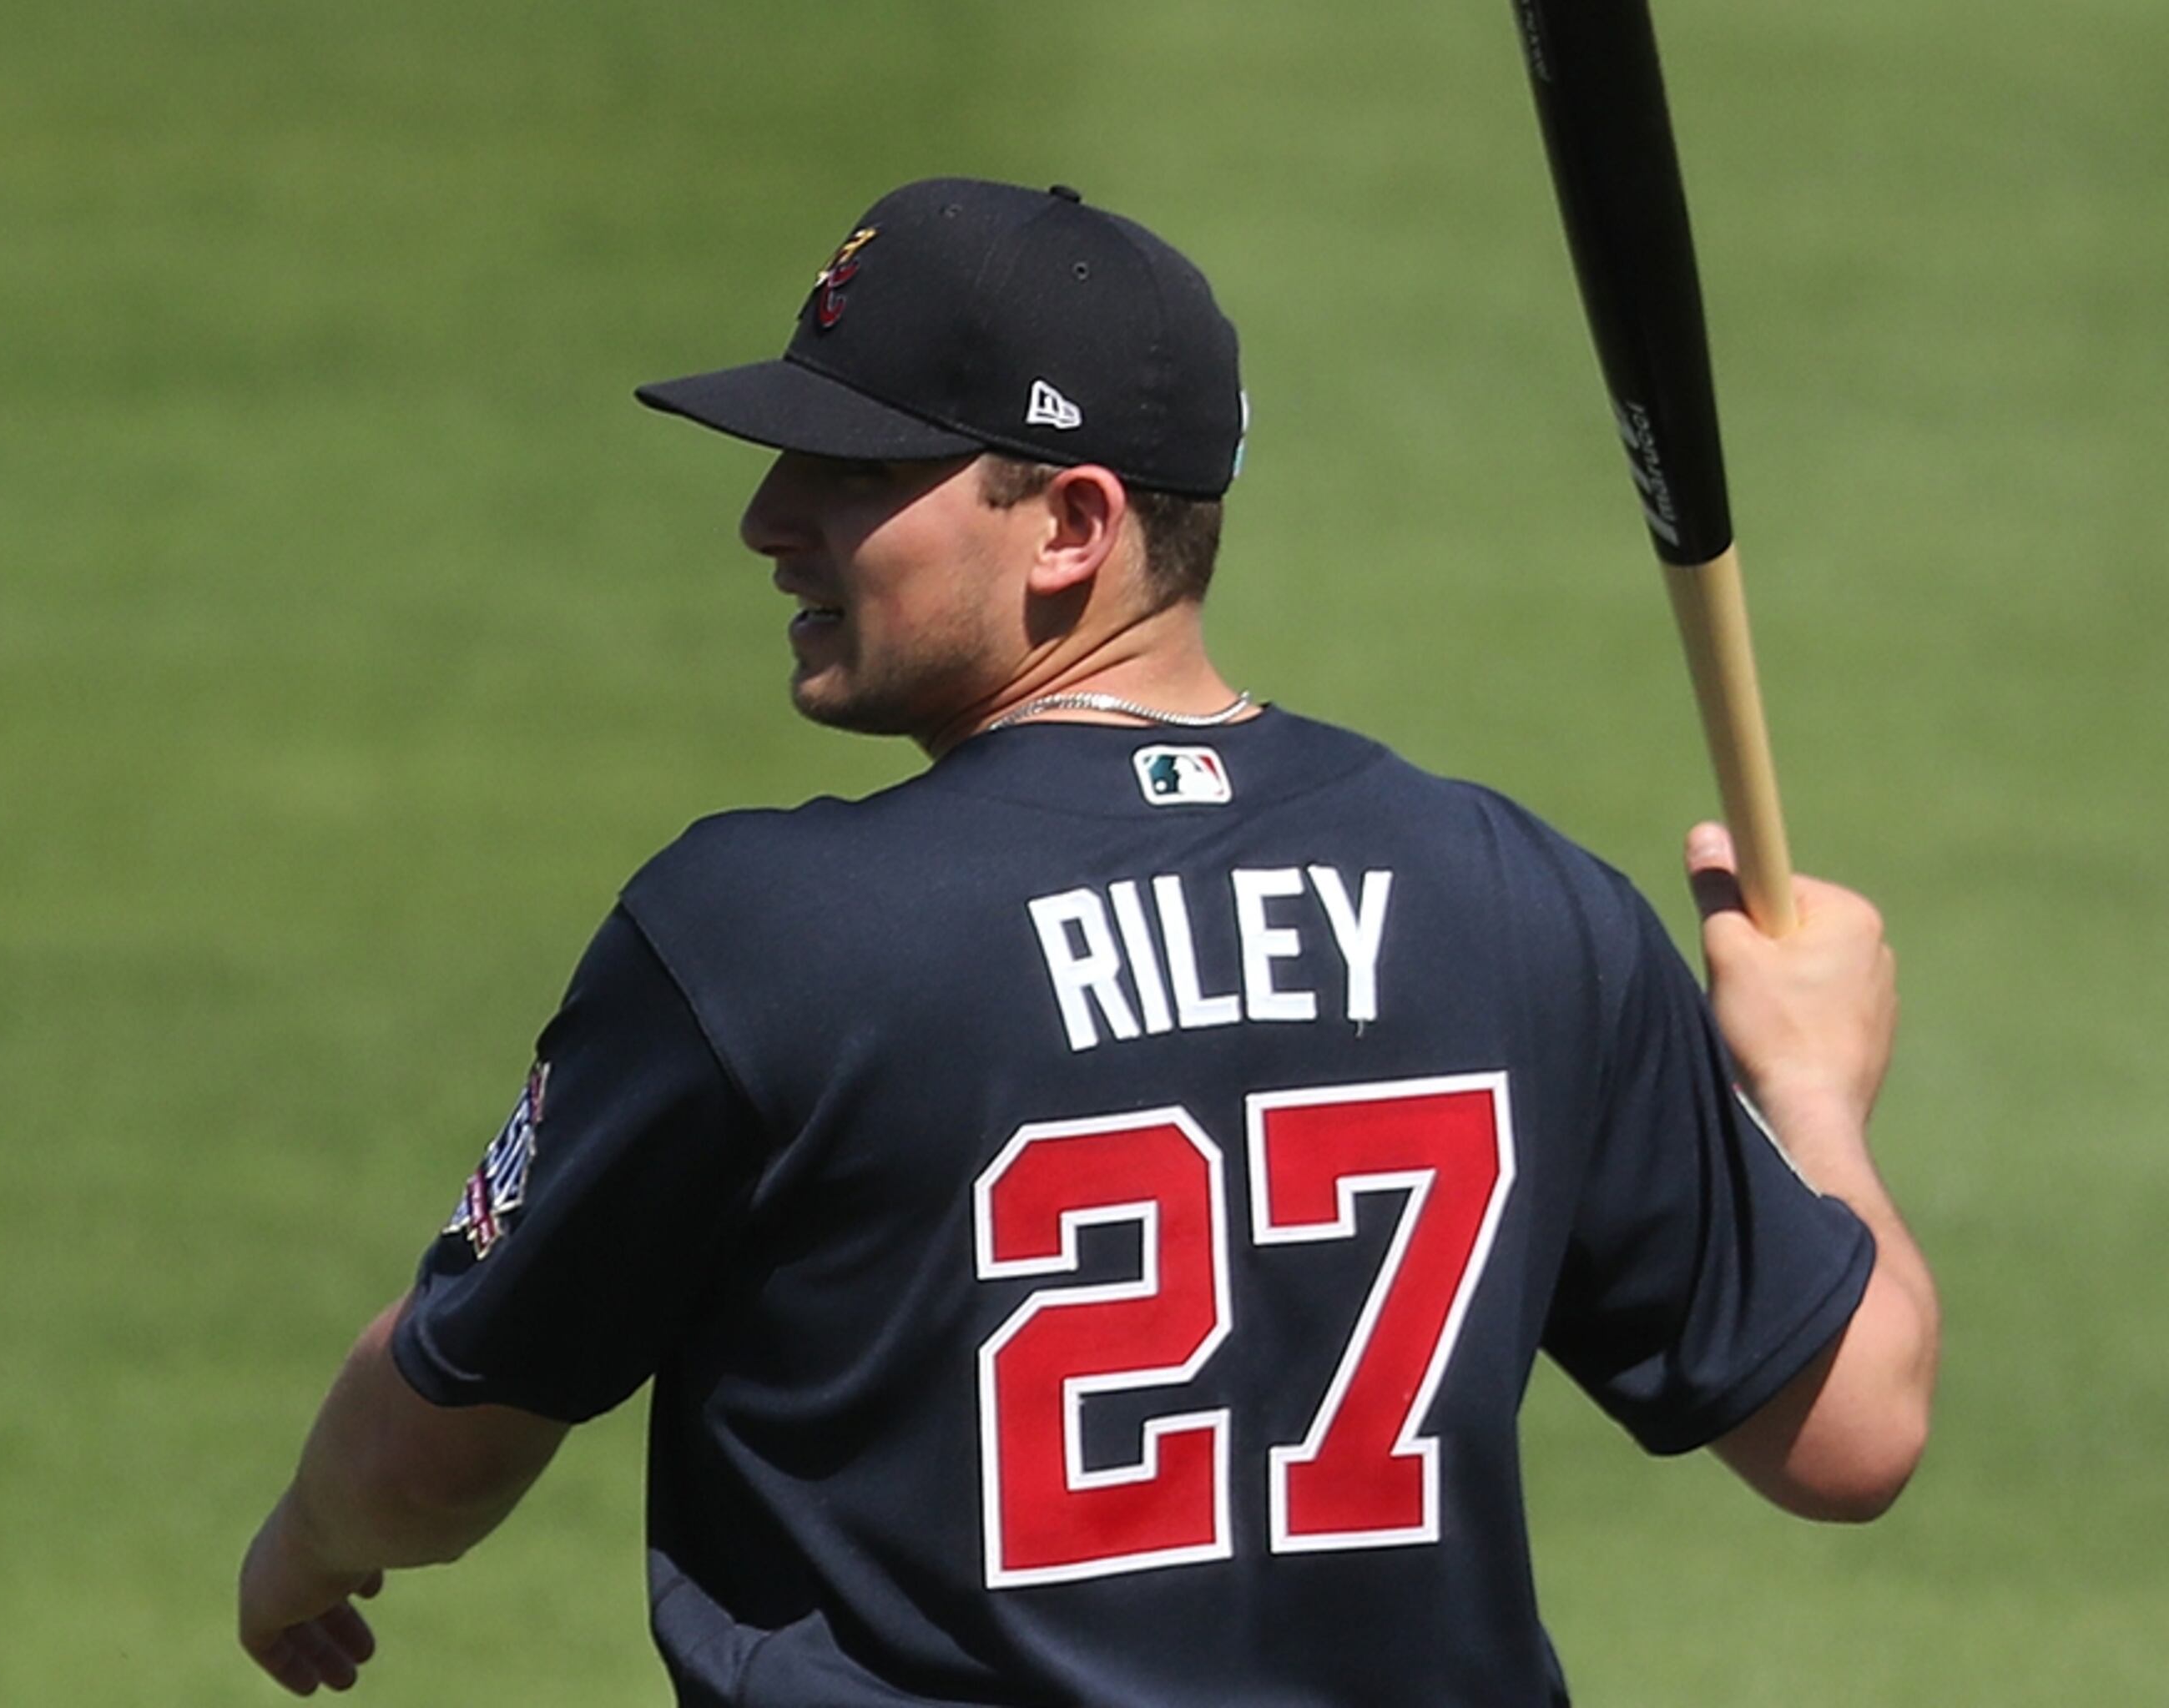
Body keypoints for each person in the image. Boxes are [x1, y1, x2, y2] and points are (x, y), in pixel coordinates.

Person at [234, 178, 1938, 1705]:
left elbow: (441, 1443)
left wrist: (309, 1542)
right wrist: (1813, 1087)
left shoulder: (768, 943)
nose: (770, 519)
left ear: (1073, 526)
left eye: (859, 472)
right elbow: (1854, 1426)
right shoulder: (1515, 897)